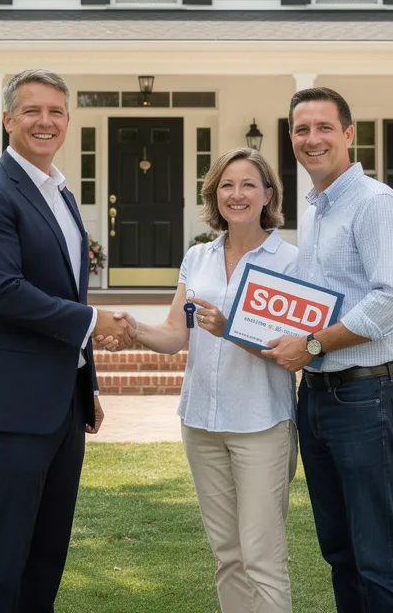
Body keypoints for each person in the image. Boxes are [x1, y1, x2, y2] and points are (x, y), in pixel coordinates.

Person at [0, 68, 136, 613]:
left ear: (68, 121)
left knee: (47, 555)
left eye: (55, 111)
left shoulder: (61, 194)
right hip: (11, 404)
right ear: (7, 119)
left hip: (61, 402)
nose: (45, 121)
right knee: (4, 556)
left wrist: (87, 384)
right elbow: (5, 293)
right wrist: (93, 321)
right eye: (31, 111)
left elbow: (63, 288)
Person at [97, 147, 299, 613]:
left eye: (249, 184)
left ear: (268, 193)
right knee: (227, 555)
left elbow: (294, 353)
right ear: (214, 195)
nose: (237, 194)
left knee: (262, 557)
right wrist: (132, 330)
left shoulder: (289, 261)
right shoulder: (199, 258)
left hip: (261, 424)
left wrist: (232, 329)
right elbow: (174, 334)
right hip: (201, 424)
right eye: (227, 185)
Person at [262, 87, 393, 612]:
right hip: (320, 399)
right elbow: (314, 302)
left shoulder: (376, 204)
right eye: (302, 130)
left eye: (325, 127)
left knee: (377, 556)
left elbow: (391, 301)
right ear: (291, 139)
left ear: (349, 135)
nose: (313, 139)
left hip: (367, 397)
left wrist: (310, 342)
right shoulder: (318, 210)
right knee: (340, 552)